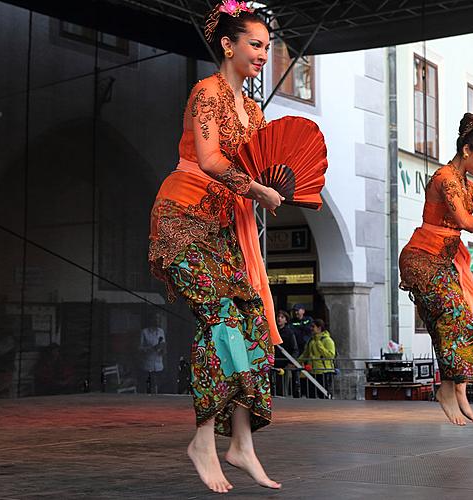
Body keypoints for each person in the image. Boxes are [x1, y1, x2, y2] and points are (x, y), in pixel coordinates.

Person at [147, 1, 283, 493]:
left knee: (249, 326)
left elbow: (268, 162)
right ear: (228, 45)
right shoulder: (207, 93)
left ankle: (241, 442)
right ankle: (204, 438)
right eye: (255, 44)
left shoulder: (254, 111)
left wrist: (288, 190)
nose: (263, 54)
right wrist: (258, 191)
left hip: (223, 227)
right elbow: (207, 159)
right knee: (221, 318)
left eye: (268, 47)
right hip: (182, 217)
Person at [399, 113, 473, 426]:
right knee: (452, 315)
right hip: (420, 258)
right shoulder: (445, 179)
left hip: (444, 261)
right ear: (466, 150)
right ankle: (448, 391)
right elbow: (463, 220)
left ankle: (456, 388)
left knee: (470, 320)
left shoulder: (467, 184)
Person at [299, 319, 336, 398]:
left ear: (319, 328)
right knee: (310, 394)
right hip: (312, 371)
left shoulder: (327, 340)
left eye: (313, 327)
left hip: (324, 372)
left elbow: (331, 355)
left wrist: (320, 346)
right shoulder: (311, 340)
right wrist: (296, 362)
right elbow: (305, 354)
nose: (311, 328)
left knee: (323, 394)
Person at [139, 314, 167, 394]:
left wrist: (163, 350)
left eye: (158, 319)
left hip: (159, 365)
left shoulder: (161, 331)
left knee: (157, 386)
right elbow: (140, 349)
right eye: (155, 318)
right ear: (151, 320)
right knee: (149, 386)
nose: (157, 321)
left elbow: (163, 344)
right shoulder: (144, 332)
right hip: (148, 364)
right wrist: (151, 349)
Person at [273, 310, 299, 396]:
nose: (279, 319)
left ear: (286, 320)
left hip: (284, 365)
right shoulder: (273, 331)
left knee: (283, 388)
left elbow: (295, 349)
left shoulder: (289, 333)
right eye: (278, 317)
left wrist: (291, 362)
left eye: (282, 317)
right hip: (274, 363)